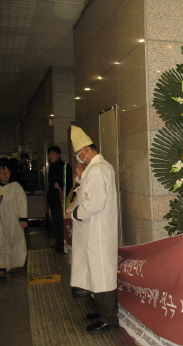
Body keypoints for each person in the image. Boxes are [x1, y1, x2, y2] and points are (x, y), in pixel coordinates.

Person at [65, 125, 119, 331]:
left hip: (98, 229)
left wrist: (74, 214)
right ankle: (102, 311)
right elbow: (88, 190)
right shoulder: (97, 168)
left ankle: (109, 318)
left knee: (102, 272)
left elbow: (94, 202)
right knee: (96, 271)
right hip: (93, 229)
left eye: (79, 155)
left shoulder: (98, 169)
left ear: (86, 150)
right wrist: (80, 177)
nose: (79, 159)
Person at [0, 161, 28, 276]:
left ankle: (14, 264)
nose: (4, 175)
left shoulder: (16, 186)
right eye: (1, 172)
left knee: (15, 240)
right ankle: (2, 265)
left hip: (14, 218)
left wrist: (23, 219)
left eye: (7, 172)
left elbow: (22, 203)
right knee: (1, 240)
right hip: (1, 219)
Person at [47, 146, 72, 253]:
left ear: (59, 155)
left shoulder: (64, 166)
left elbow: (68, 183)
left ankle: (63, 244)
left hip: (61, 199)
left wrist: (60, 185)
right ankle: (58, 242)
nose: (50, 156)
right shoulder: (52, 167)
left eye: (53, 154)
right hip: (53, 199)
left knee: (61, 222)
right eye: (50, 154)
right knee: (56, 222)